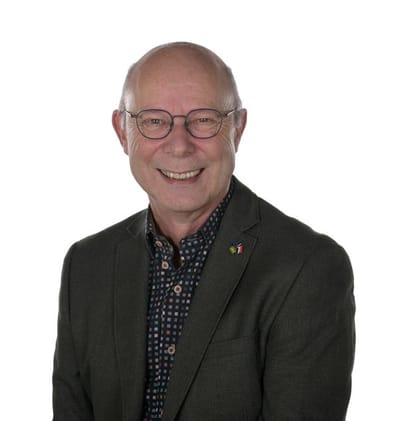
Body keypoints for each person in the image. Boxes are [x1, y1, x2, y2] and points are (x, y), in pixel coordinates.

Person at [52, 42, 355, 421]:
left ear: (238, 128)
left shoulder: (307, 268)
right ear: (122, 131)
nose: (179, 145)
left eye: (204, 120)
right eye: (154, 121)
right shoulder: (85, 266)